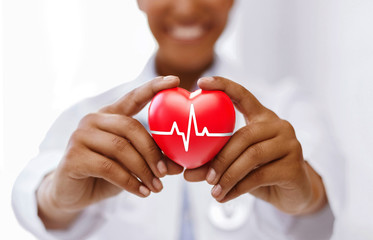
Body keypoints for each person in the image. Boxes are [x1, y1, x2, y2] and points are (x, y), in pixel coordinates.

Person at [12, 0, 337, 239]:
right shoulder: (90, 118)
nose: (186, 8)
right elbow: (33, 194)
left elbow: (333, 203)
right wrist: (56, 195)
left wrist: (307, 193)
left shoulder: (287, 107)